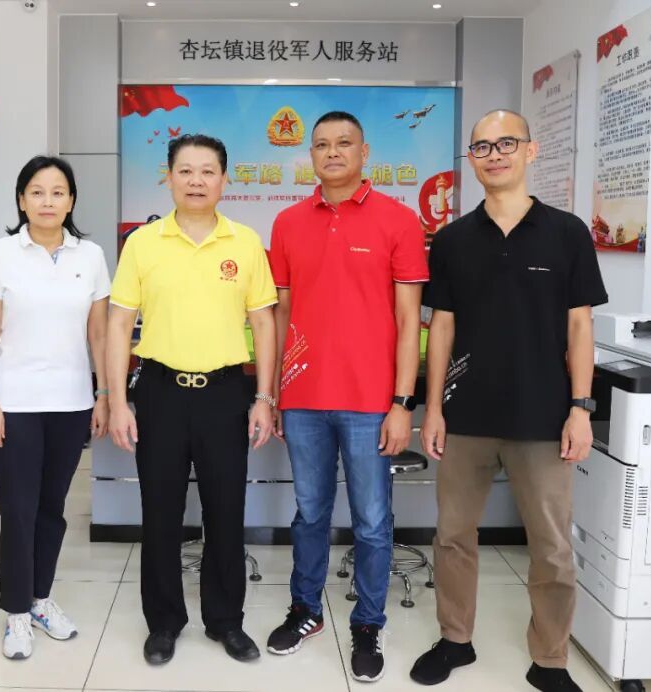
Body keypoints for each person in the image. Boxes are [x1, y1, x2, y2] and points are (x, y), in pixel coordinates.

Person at [409, 110, 607, 692]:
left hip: (543, 416)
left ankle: (550, 659)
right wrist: (434, 408)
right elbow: (442, 327)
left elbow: (580, 326)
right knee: (453, 536)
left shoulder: (566, 232)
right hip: (466, 414)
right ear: (471, 158)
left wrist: (580, 407)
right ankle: (455, 639)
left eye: (506, 144)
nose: (494, 155)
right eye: (482, 147)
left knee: (551, 546)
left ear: (530, 150)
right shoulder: (452, 240)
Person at [265, 111, 428, 683]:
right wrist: (276, 393)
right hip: (304, 397)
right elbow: (281, 313)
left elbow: (409, 322)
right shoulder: (287, 222)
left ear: (364, 152)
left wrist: (402, 403)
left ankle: (368, 623)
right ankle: (305, 610)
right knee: (309, 513)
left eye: (343, 143)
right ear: (310, 155)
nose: (332, 152)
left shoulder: (399, 220)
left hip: (370, 402)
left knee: (372, 521)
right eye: (321, 145)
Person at [106, 133, 277, 666]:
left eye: (207, 172)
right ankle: (163, 622)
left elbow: (263, 323)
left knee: (226, 511)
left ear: (224, 179)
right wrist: (117, 402)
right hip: (160, 392)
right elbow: (119, 324)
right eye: (185, 171)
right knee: (160, 512)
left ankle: (226, 620)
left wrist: (264, 396)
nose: (196, 181)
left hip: (225, 394)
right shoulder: (143, 243)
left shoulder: (244, 242)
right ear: (169, 177)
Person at [0, 156, 111, 660]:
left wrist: (102, 394)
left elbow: (99, 335)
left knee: (52, 509)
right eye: (36, 191)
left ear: (71, 200)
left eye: (57, 192)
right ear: (21, 200)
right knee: (17, 509)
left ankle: (39, 599)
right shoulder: (1, 253)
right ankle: (15, 611)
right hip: (14, 404)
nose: (47, 201)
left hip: (70, 403)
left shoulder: (90, 255)